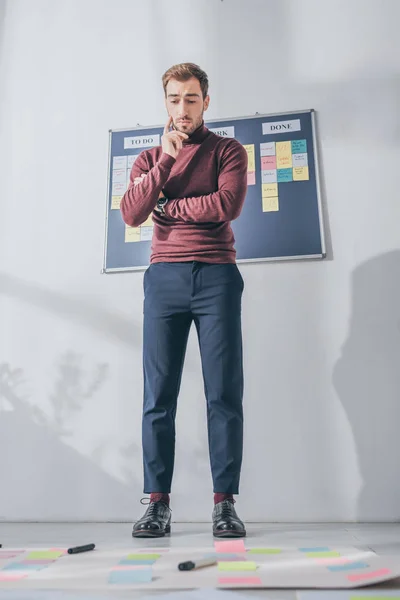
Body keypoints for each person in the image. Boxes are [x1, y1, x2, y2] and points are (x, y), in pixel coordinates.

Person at [120, 63, 248, 538]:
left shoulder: (228, 151)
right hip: (164, 280)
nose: (182, 108)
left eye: (191, 98)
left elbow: (227, 205)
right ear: (165, 102)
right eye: (174, 99)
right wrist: (167, 163)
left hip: (217, 276)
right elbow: (133, 212)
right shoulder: (149, 160)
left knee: (223, 394)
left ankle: (224, 503)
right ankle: (157, 504)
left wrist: (169, 208)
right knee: (158, 397)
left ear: (206, 101)